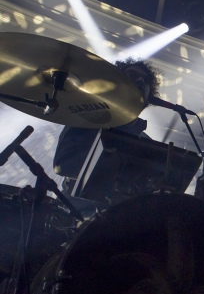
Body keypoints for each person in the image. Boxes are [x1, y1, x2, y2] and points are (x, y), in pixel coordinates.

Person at [53, 58, 161, 194]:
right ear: (114, 85)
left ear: (149, 98)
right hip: (78, 210)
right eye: (132, 76)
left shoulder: (147, 143)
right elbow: (64, 165)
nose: (139, 81)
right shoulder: (87, 119)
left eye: (144, 80)